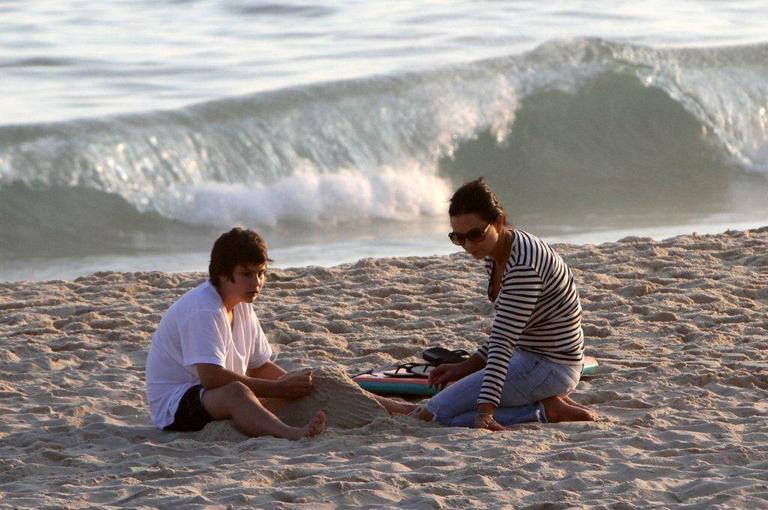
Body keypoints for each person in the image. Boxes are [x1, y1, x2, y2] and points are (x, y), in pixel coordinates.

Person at [403, 178, 598, 429]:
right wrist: (466, 366)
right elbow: (506, 331)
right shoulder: (497, 253)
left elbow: (503, 342)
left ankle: (546, 410)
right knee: (443, 412)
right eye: (458, 238)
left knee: (434, 415)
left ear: (499, 222)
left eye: (475, 235)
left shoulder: (523, 267)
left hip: (550, 366)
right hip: (527, 356)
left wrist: (486, 410)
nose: (468, 245)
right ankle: (548, 404)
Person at [145, 227, 325, 440]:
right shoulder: (204, 308)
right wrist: (278, 388)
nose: (256, 282)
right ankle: (292, 433)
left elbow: (259, 365)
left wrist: (293, 383)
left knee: (305, 381)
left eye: (261, 273)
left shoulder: (241, 303)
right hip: (175, 405)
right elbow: (211, 378)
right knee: (237, 392)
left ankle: (370, 405)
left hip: (213, 396)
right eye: (246, 274)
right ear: (223, 273)